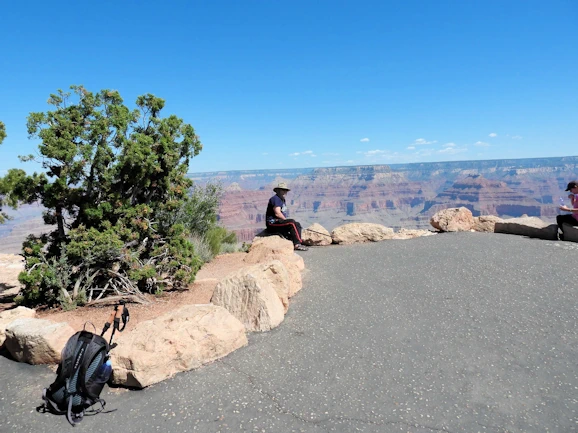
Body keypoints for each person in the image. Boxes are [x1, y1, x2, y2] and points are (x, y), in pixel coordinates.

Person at [266, 182, 308, 251]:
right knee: (291, 222)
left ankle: (298, 241)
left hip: (278, 222)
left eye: (285, 190)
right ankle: (297, 244)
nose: (285, 192)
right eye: (283, 190)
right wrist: (285, 220)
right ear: (278, 190)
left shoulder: (282, 199)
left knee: (297, 224)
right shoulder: (275, 199)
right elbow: (277, 213)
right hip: (272, 223)